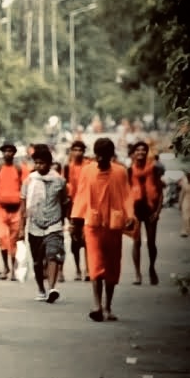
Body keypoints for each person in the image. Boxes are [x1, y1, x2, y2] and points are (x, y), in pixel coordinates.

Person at [71, 138, 134, 322]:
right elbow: (81, 195)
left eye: (104, 156)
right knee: (96, 265)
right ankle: (97, 305)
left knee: (113, 266)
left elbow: (127, 195)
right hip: (93, 224)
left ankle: (108, 307)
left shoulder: (120, 172)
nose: (100, 160)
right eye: (98, 155)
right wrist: (76, 221)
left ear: (111, 156)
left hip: (114, 225)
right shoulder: (88, 171)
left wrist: (130, 216)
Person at [19, 145, 69, 302]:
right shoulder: (29, 181)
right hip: (34, 226)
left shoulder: (59, 181)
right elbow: (23, 206)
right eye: (37, 163)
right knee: (37, 261)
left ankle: (51, 288)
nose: (40, 166)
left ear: (49, 163)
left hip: (53, 224)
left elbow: (65, 201)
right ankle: (41, 288)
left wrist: (66, 220)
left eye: (43, 163)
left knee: (52, 254)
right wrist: (21, 228)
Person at [0, 142, 30, 280]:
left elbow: (25, 188)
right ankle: (5, 268)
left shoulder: (20, 168)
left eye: (10, 151)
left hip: (16, 210)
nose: (8, 153)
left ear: (14, 153)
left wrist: (24, 208)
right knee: (2, 237)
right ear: (2, 153)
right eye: (5, 151)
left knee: (14, 241)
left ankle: (13, 270)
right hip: (0, 209)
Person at [128, 141, 164, 285]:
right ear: (134, 153)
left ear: (147, 152)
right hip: (135, 210)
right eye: (138, 150)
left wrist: (158, 211)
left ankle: (152, 268)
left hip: (150, 209)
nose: (141, 153)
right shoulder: (129, 171)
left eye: (143, 150)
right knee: (136, 242)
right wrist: (128, 213)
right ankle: (137, 274)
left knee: (151, 243)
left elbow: (161, 192)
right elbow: (126, 193)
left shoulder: (154, 169)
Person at [63, 141, 91, 281]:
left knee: (87, 239)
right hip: (73, 207)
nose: (78, 152)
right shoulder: (68, 167)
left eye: (80, 150)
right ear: (71, 152)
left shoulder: (89, 166)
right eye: (75, 150)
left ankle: (88, 269)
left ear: (84, 151)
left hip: (87, 207)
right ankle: (78, 269)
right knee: (75, 240)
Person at [180, 170, 190, 238]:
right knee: (185, 217)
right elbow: (182, 194)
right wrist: (180, 203)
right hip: (186, 201)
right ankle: (185, 231)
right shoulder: (185, 183)